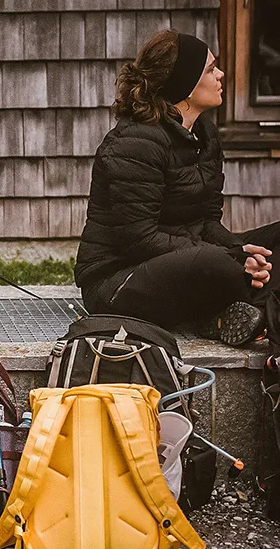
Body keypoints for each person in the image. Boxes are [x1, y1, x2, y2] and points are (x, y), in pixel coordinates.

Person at [75, 29, 277, 344]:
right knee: (216, 264)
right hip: (118, 282)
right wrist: (233, 258)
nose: (221, 75)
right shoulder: (134, 143)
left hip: (185, 262)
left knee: (267, 246)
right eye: (211, 69)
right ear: (184, 84)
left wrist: (239, 252)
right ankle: (237, 307)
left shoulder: (205, 136)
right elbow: (139, 240)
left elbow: (208, 221)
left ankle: (239, 314)